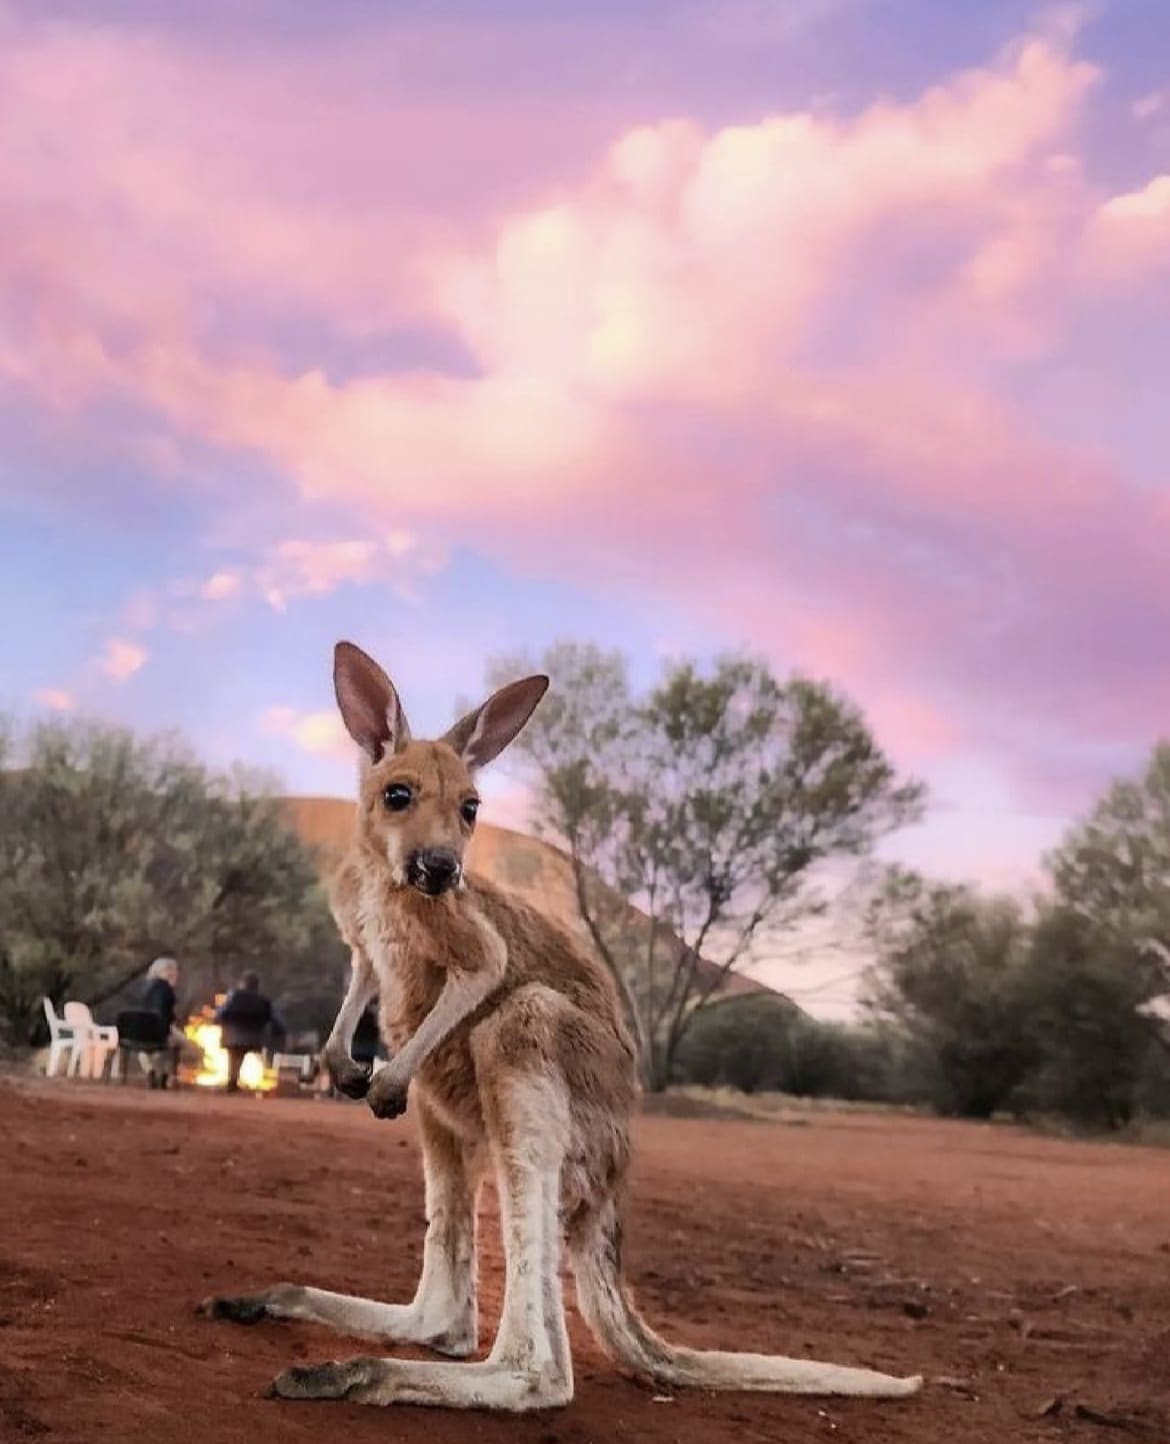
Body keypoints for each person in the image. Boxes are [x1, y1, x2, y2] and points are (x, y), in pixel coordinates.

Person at [214, 971, 286, 1093]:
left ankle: (232, 1082)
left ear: (242, 983)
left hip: (232, 1037)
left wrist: (218, 1021)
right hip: (253, 1039)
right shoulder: (263, 1001)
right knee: (240, 1055)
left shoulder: (233, 997)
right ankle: (233, 1081)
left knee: (234, 1056)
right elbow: (276, 1020)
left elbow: (220, 1014)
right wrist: (278, 1033)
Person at [141, 956, 183, 1088]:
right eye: (169, 970)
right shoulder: (167, 990)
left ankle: (150, 1071)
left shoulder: (145, 988)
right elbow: (166, 1015)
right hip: (160, 1031)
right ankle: (165, 1075)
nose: (173, 973)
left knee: (143, 1049)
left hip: (140, 1030)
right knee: (180, 1043)